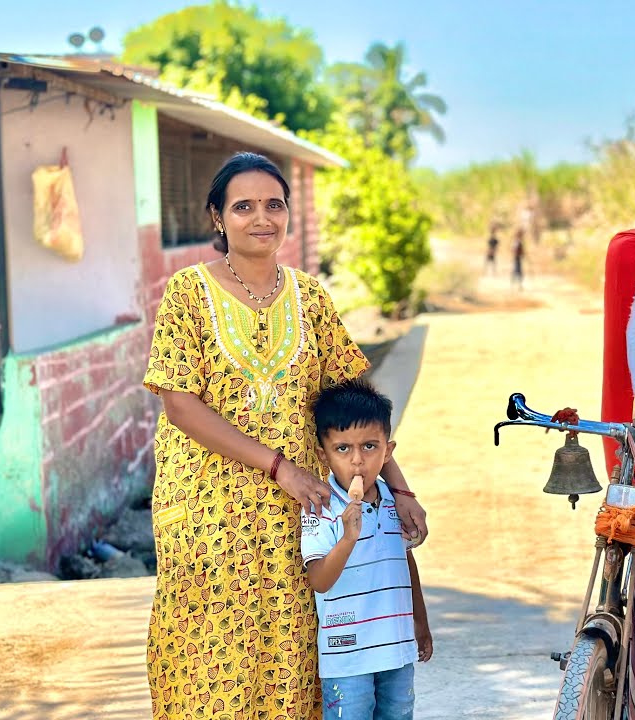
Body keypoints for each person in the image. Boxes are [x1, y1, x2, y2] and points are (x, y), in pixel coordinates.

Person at [143, 151, 428, 720]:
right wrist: (279, 466)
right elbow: (179, 404)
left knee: (293, 653)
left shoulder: (310, 296)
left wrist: (398, 487)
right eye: (243, 206)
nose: (261, 218)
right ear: (218, 218)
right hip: (208, 511)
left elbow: (358, 404)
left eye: (274, 204)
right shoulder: (188, 294)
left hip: (296, 513)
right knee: (212, 655)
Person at [301, 378, 432, 720]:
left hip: (397, 649)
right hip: (347, 656)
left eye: (370, 447)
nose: (357, 461)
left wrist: (420, 622)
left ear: (388, 451)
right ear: (323, 455)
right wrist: (347, 538)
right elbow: (319, 580)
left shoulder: (394, 501)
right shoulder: (321, 506)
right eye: (343, 449)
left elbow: (405, 562)